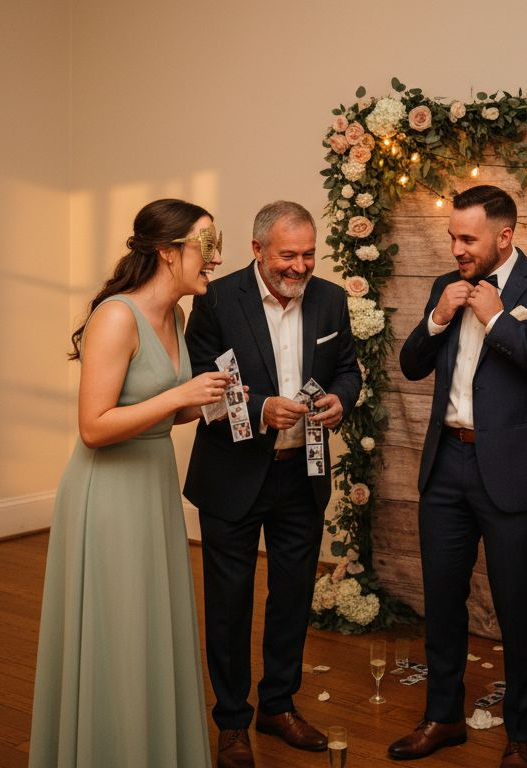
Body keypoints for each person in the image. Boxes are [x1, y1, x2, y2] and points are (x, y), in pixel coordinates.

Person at [29, 199, 231, 767]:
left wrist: (213, 402)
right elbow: (93, 427)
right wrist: (178, 397)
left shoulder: (178, 317)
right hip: (109, 494)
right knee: (116, 630)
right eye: (206, 245)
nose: (215, 257)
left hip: (152, 483)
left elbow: (161, 412)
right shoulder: (117, 316)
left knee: (151, 627)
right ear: (169, 253)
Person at [389, 185, 527, 768]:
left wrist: (499, 321)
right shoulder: (442, 288)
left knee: (517, 605)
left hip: (514, 472)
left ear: (505, 236)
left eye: (467, 238)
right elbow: (410, 364)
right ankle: (443, 717)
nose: (455, 248)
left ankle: (523, 736)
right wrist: (438, 316)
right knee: (442, 600)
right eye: (451, 236)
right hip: (446, 462)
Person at [184, 201, 361, 768]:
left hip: (303, 473)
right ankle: (232, 720)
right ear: (257, 250)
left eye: (309, 254)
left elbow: (349, 370)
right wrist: (259, 409)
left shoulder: (331, 299)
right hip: (233, 476)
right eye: (288, 255)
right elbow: (198, 382)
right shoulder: (215, 300)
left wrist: (342, 400)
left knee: (291, 597)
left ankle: (278, 706)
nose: (301, 266)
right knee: (230, 603)